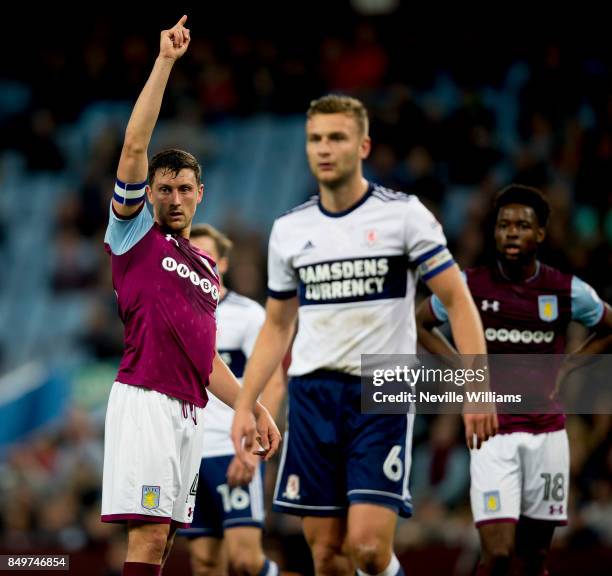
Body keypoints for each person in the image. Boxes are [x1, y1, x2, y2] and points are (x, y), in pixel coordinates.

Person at [231, 94, 497, 576]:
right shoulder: (290, 230)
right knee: (327, 553)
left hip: (383, 384)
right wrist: (246, 405)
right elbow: (277, 324)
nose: (324, 148)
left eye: (337, 137)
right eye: (315, 139)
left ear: (364, 145)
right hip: (312, 392)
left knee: (369, 550)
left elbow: (457, 300)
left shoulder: (404, 215)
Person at [100, 17, 280, 576]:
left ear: (200, 194)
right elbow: (134, 143)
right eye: (164, 189)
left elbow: (204, 363)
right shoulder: (133, 237)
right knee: (149, 539)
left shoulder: (204, 265)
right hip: (147, 400)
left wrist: (251, 407)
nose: (174, 197)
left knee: (166, 544)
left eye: (184, 189)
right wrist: (165, 63)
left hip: (190, 409)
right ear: (148, 194)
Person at [415, 184, 612, 575]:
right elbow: (420, 322)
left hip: (548, 434)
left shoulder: (566, 289)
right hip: (493, 434)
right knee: (499, 555)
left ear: (540, 233)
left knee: (535, 558)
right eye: (504, 225)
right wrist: (462, 365)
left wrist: (571, 364)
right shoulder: (468, 285)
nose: (512, 233)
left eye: (522, 225)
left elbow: (608, 325)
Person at [179, 224, 285, 576]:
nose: (200, 262)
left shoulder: (248, 314)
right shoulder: (175, 313)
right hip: (189, 451)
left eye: (208, 255)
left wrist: (253, 447)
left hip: (232, 447)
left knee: (245, 561)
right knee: (205, 562)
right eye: (193, 254)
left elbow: (273, 384)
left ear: (222, 264)